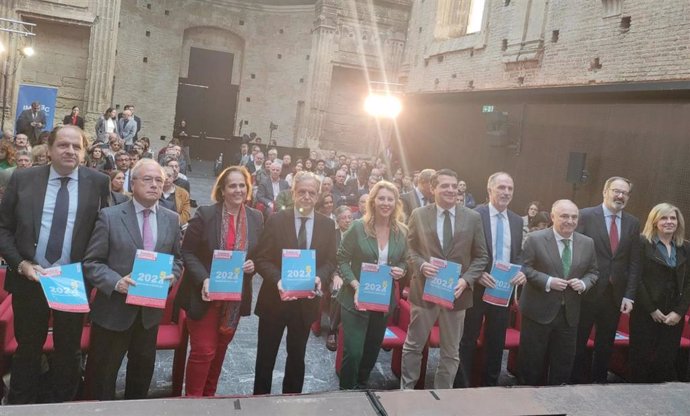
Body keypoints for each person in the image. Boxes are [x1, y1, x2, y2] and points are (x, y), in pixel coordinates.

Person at [0, 125, 110, 404]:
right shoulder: (23, 179)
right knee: (28, 349)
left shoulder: (98, 182)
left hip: (71, 282)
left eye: (76, 146)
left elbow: (105, 230)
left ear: (84, 153)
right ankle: (20, 406)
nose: (70, 151)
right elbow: (3, 228)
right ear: (49, 149)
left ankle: (63, 405)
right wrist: (20, 264)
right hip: (29, 278)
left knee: (69, 350)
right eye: (63, 145)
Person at [83, 159, 183, 401]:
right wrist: (117, 282)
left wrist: (172, 277)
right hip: (113, 314)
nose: (154, 185)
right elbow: (92, 263)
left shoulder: (171, 218)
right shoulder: (109, 216)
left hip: (148, 316)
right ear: (133, 182)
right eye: (147, 179)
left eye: (159, 180)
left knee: (140, 377)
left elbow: (177, 260)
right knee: (102, 378)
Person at [174, 166, 264, 396]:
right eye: (232, 186)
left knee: (220, 351)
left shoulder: (256, 217)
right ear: (222, 190)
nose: (238, 190)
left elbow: (258, 254)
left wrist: (253, 265)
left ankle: (209, 399)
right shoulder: (206, 214)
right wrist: (204, 279)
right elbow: (187, 252)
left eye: (242, 185)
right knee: (203, 351)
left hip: (232, 301)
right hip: (203, 295)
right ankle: (193, 403)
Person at [400, 169, 489, 390]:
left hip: (457, 295)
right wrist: (420, 264)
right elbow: (410, 249)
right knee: (413, 346)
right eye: (444, 185)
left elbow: (481, 256)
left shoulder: (473, 217)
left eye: (453, 185)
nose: (450, 189)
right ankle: (407, 390)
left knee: (451, 352)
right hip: (424, 292)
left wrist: (467, 280)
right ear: (433, 188)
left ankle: (443, 395)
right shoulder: (419, 214)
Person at [253, 171, 336, 394]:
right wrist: (278, 279)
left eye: (311, 193)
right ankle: (258, 403)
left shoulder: (327, 225)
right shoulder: (276, 219)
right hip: (274, 301)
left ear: (318, 196)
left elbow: (330, 260)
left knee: (297, 357)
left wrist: (320, 276)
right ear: (293, 193)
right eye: (302, 192)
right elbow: (261, 258)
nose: (306, 197)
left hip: (305, 304)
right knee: (265, 358)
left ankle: (292, 400)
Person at [455, 172, 525, 387]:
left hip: (502, 292)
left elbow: (517, 254)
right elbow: (460, 252)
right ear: (489, 190)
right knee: (467, 340)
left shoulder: (516, 220)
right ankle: (462, 387)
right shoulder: (473, 214)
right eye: (501, 187)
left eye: (510, 189)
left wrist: (520, 270)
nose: (506, 192)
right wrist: (475, 274)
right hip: (475, 289)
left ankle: (490, 386)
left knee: (496, 342)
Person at [518, 199, 598, 386]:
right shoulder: (535, 239)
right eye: (564, 216)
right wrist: (548, 281)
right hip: (538, 313)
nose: (569, 221)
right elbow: (525, 268)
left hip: (569, 315)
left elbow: (593, 272)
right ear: (553, 217)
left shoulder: (587, 243)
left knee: (563, 365)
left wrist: (584, 283)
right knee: (532, 364)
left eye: (574, 217)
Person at [337, 181, 407, 389]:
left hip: (383, 299)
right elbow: (341, 259)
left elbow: (405, 260)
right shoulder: (358, 227)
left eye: (390, 199)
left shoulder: (402, 231)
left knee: (372, 349)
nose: (386, 203)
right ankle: (346, 390)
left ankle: (361, 384)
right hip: (355, 298)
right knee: (354, 351)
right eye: (381, 198)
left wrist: (401, 270)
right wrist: (355, 284)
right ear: (373, 201)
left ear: (396, 203)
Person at [571, 177, 641, 384]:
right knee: (579, 340)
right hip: (587, 291)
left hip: (615, 295)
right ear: (605, 191)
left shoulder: (632, 222)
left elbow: (634, 262)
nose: (620, 196)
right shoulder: (585, 215)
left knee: (606, 343)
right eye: (616, 191)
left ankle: (599, 383)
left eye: (625, 193)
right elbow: (574, 253)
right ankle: (574, 382)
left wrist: (629, 295)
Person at [629, 203, 690, 383]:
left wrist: (679, 312)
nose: (669, 222)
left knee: (665, 361)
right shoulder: (641, 242)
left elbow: (688, 284)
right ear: (654, 221)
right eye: (664, 218)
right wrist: (651, 309)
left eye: (673, 218)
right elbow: (636, 278)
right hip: (645, 312)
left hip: (673, 315)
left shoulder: (685, 247)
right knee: (640, 361)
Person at [325, 205, 353, 351]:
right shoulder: (332, 235)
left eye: (350, 217)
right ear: (337, 220)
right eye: (344, 218)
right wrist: (335, 275)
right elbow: (327, 260)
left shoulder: (357, 234)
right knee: (337, 291)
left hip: (353, 275)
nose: (348, 221)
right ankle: (332, 330)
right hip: (334, 274)